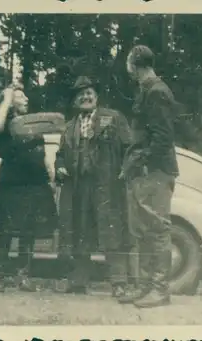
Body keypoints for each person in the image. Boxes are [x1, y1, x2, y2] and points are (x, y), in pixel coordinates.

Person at [54, 76, 132, 297]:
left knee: (112, 232)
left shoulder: (113, 118)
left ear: (96, 97)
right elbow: (60, 155)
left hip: (107, 186)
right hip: (79, 187)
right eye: (81, 95)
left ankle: (119, 283)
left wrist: (126, 169)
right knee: (80, 231)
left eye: (89, 93)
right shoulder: (69, 128)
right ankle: (78, 281)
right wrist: (59, 166)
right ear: (75, 102)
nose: (85, 97)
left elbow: (130, 146)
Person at [119, 45, 180, 308]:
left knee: (156, 229)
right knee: (142, 230)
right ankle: (145, 286)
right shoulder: (147, 90)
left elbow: (163, 138)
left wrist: (141, 162)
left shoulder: (157, 92)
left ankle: (159, 289)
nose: (127, 68)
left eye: (128, 63)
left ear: (134, 64)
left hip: (154, 172)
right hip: (143, 171)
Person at [0, 84, 59, 293]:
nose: (27, 99)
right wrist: (7, 98)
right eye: (21, 96)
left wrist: (51, 176)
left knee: (29, 232)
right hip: (12, 184)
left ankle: (23, 277)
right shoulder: (4, 123)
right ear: (9, 101)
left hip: (35, 183)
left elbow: (42, 152)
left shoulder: (33, 124)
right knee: (6, 232)